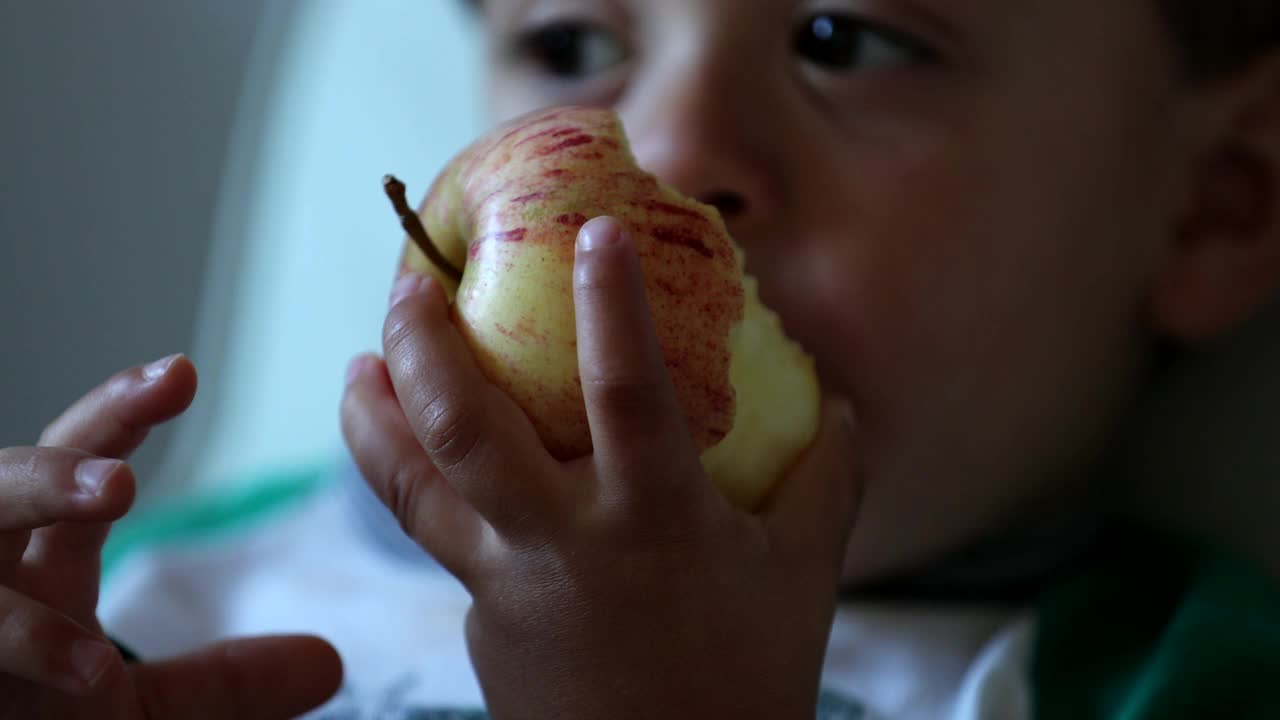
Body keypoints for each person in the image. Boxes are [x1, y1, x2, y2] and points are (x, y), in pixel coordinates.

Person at [4, 0, 1280, 717]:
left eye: (846, 39)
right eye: (570, 45)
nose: (661, 153)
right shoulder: (141, 585)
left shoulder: (1183, 685)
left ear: (1214, 201)